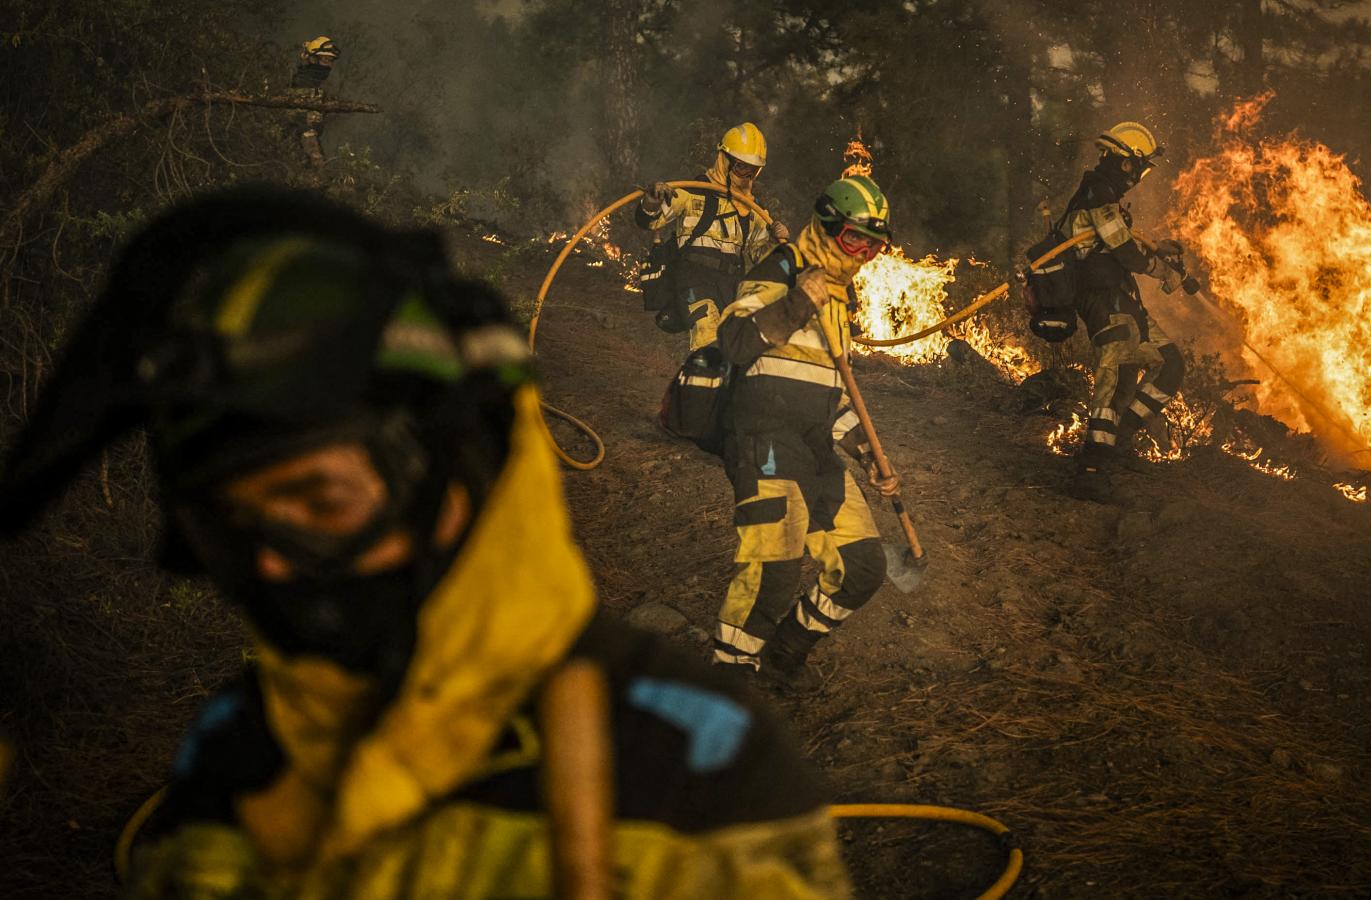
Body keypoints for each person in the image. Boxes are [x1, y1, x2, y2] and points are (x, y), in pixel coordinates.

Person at [0, 187, 849, 898]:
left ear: (462, 470)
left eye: (319, 499)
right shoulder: (237, 749)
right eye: (225, 526)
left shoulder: (700, 768)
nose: (267, 564)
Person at [710, 175, 898, 691]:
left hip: (815, 452)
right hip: (764, 443)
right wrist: (796, 303)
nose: (862, 254)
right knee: (773, 576)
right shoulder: (783, 269)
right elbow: (732, 343)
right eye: (853, 239)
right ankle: (729, 685)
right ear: (827, 225)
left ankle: (785, 652)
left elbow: (829, 393)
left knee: (862, 568)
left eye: (873, 245)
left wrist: (867, 453)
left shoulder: (838, 296)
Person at [1024, 121, 1190, 503]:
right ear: (1125, 163)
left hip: (1120, 298)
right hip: (1104, 301)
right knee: (1112, 378)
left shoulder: (1104, 196)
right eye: (1140, 167)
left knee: (1170, 364)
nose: (1141, 176)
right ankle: (1092, 469)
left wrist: (1158, 251)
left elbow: (1123, 243)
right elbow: (1124, 251)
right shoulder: (1098, 193)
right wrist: (1162, 270)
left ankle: (1119, 440)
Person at [637, 122, 789, 349]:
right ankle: (705, 377)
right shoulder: (692, 193)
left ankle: (718, 381)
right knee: (707, 332)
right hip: (694, 278)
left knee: (735, 346)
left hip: (730, 285)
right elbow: (650, 220)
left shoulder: (754, 212)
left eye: (753, 170)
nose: (746, 175)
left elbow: (764, 259)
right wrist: (652, 201)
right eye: (741, 167)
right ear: (724, 161)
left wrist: (775, 241)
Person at [290, 36, 340, 167]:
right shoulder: (302, 81)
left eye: (331, 60)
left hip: (307, 139)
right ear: (312, 59)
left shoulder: (317, 85)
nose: (329, 64)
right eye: (325, 60)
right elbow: (298, 121)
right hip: (297, 141)